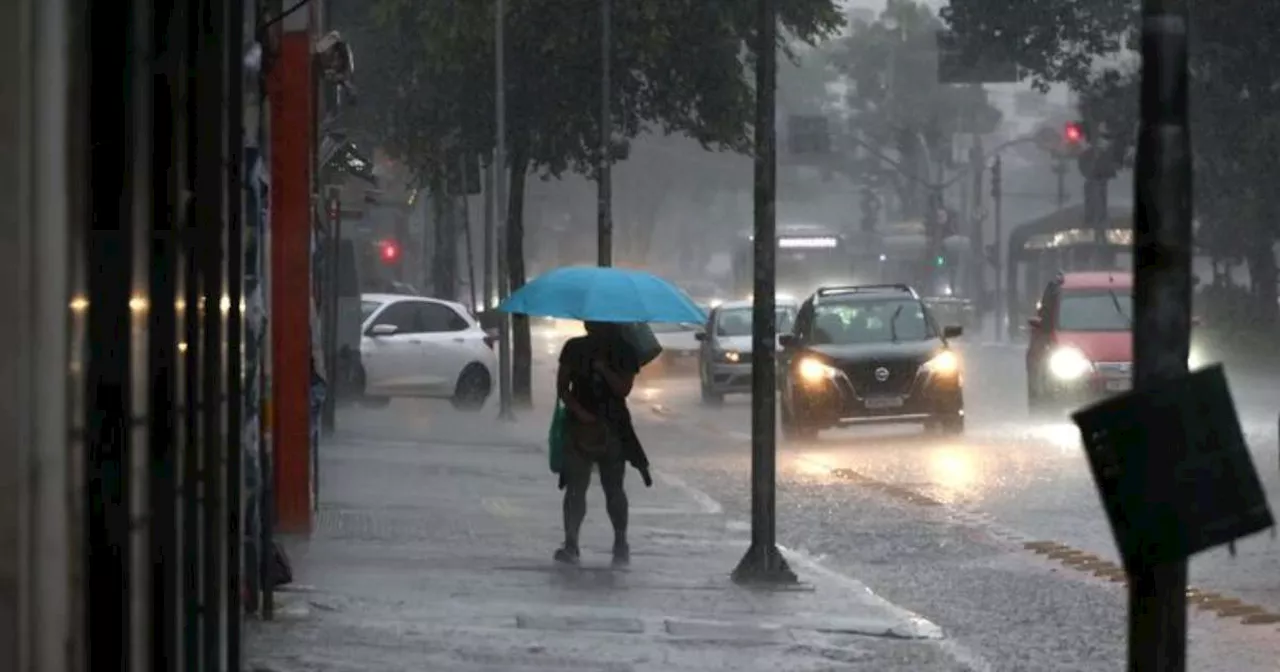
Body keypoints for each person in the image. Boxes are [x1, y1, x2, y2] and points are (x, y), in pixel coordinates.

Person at [555, 321, 641, 567]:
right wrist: (580, 412)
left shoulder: (625, 351)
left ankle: (620, 542)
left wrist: (604, 370)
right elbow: (562, 388)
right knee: (575, 487)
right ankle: (571, 543)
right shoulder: (574, 348)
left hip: (613, 428)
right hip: (580, 428)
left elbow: (623, 389)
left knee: (613, 487)